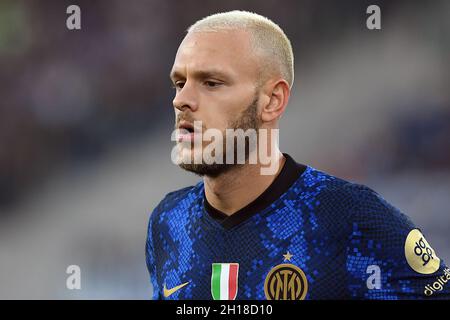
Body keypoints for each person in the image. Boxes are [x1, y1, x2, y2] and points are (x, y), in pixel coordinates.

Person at [146, 10, 449, 300]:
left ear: (272, 100)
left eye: (212, 83)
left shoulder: (352, 218)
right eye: (179, 83)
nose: (181, 100)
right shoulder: (167, 221)